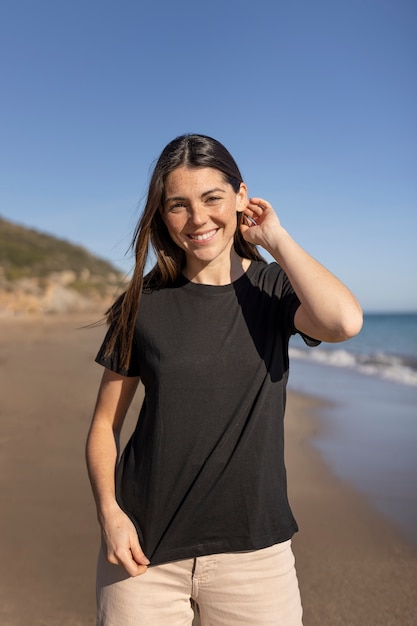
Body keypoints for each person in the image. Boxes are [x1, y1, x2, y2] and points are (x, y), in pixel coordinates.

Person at [86, 133, 363, 625]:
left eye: (212, 198)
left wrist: (275, 238)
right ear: (161, 215)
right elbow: (106, 426)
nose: (197, 220)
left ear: (241, 197)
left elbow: (343, 322)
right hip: (143, 554)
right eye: (178, 205)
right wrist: (110, 513)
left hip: (255, 555)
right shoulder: (143, 305)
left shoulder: (275, 291)